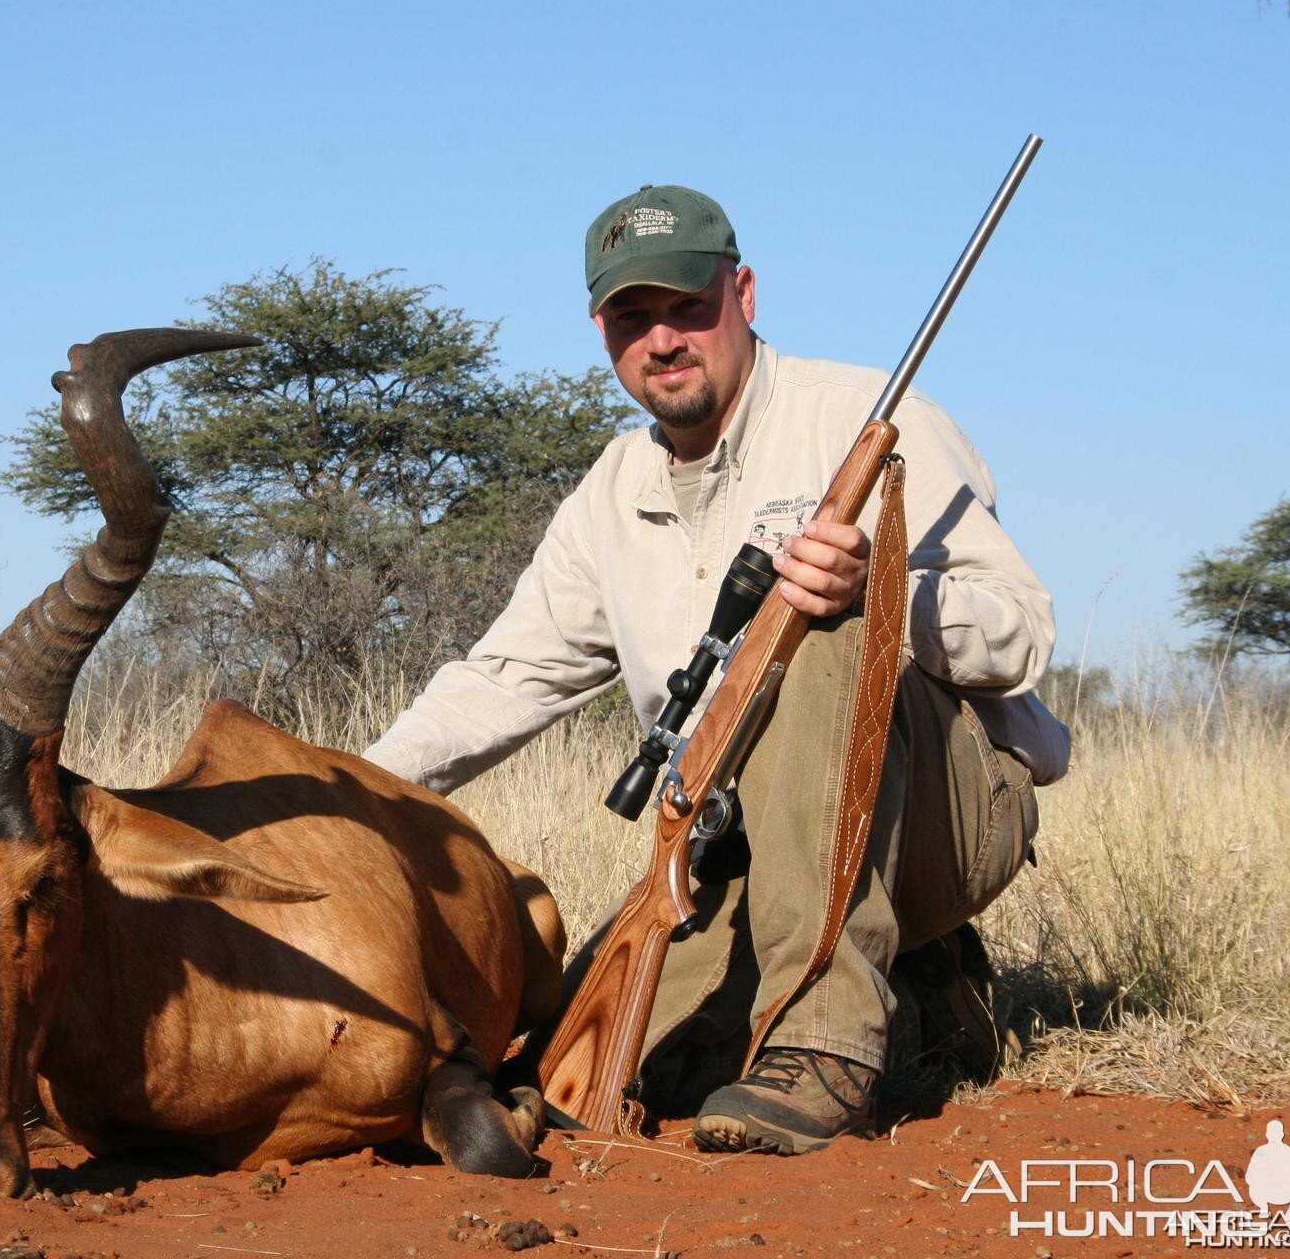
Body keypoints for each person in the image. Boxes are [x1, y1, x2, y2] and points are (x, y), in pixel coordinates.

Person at [362, 184, 1070, 1155]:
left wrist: (881, 590)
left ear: (742, 291)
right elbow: (502, 679)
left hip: (949, 813)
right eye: (632, 317)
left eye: (687, 307)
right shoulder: (611, 489)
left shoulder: (870, 412)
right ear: (601, 328)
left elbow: (1024, 632)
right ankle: (920, 998)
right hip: (746, 837)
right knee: (585, 1064)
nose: (663, 339)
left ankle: (828, 1050)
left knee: (811, 618)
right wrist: (332, 789)